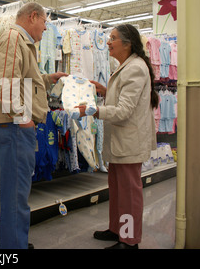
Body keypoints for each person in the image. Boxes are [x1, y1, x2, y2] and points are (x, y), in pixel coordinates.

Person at [0, 2, 67, 249]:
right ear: (33, 16)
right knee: (17, 195)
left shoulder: (18, 41)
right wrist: (23, 119)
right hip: (15, 127)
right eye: (44, 23)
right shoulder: (13, 38)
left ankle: (14, 243)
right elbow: (5, 83)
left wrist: (48, 79)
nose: (45, 29)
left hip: (15, 127)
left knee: (17, 193)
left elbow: (21, 80)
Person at [76, 24, 158, 249]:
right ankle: (117, 229)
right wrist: (104, 90)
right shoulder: (125, 66)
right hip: (120, 142)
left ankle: (129, 240)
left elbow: (124, 111)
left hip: (129, 143)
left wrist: (92, 110)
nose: (108, 42)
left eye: (112, 38)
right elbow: (121, 97)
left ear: (127, 43)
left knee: (129, 193)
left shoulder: (135, 68)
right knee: (117, 189)